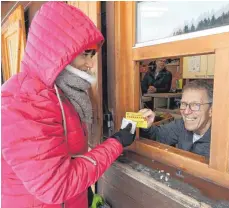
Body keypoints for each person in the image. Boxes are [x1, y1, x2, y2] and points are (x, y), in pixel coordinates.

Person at [1, 2, 135, 208]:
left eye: (92, 56)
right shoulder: (25, 101)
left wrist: (85, 196)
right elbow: (56, 185)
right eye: (85, 54)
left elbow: (67, 157)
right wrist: (116, 142)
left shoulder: (62, 93)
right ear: (57, 52)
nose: (91, 64)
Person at [139, 80, 213, 158]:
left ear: (211, 110)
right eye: (184, 104)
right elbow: (157, 136)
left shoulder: (222, 143)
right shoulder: (181, 125)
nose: (186, 111)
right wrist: (146, 126)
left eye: (195, 105)